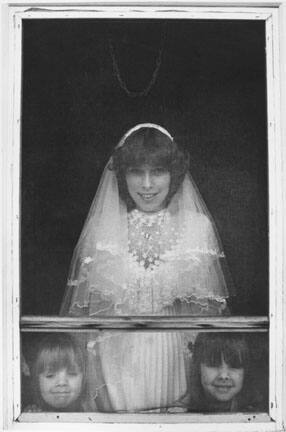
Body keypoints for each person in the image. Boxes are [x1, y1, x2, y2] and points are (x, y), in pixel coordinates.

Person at [60, 123, 233, 412]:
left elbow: (208, 322)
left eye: (158, 171)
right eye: (136, 172)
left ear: (174, 174)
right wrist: (94, 382)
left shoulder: (197, 228)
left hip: (174, 360)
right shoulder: (101, 229)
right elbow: (87, 321)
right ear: (123, 175)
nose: (147, 185)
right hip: (115, 364)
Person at [187, 333, 264, 412]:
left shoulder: (259, 414)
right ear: (198, 367)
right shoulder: (178, 414)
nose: (224, 376)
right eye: (213, 364)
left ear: (245, 372)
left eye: (234, 365)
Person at [24, 333, 86, 412]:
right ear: (37, 380)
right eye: (50, 375)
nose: (62, 382)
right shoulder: (28, 417)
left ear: (83, 378)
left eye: (72, 373)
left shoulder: (91, 417)